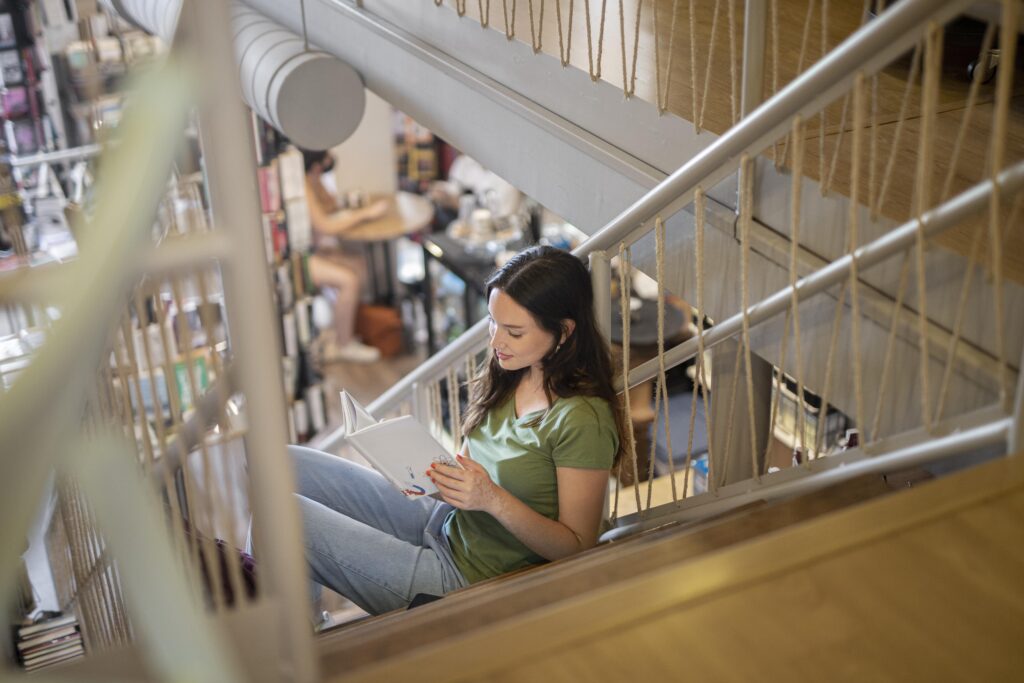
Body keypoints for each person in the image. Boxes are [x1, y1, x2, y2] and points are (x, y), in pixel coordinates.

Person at [288, 245, 629, 616]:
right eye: (493, 322)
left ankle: (300, 647)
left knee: (284, 520)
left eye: (514, 332)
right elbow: (469, 467)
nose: (496, 341)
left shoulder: (582, 419)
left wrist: (492, 499)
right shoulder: (512, 371)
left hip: (467, 577)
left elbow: (578, 546)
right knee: (284, 463)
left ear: (563, 332)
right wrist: (409, 459)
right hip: (444, 522)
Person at [301, 148, 390, 363]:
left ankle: (339, 330)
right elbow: (326, 226)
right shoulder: (301, 182)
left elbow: (330, 205)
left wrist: (317, 181)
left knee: (358, 264)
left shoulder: (311, 179)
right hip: (299, 259)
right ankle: (344, 344)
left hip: (310, 251)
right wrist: (366, 214)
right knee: (348, 279)